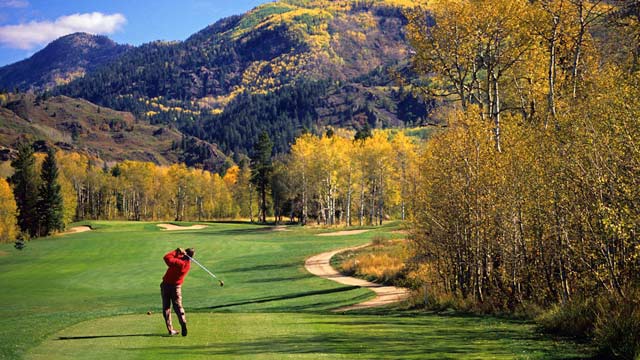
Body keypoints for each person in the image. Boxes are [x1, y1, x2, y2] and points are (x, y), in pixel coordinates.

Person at [160, 247, 194, 336]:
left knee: (166, 308)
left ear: (185, 254)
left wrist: (176, 251)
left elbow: (166, 258)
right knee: (178, 307)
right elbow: (175, 259)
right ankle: (183, 322)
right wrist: (181, 253)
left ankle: (170, 329)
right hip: (176, 287)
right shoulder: (187, 264)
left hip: (167, 286)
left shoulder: (179, 262)